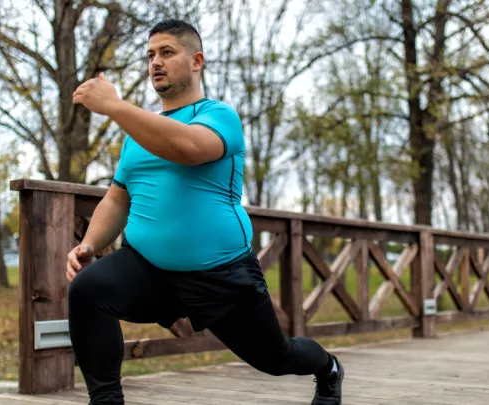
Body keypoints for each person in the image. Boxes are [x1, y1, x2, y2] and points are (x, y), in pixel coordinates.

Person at [67, 19, 344, 405]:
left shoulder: (218, 116)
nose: (155, 63)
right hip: (151, 270)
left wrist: (115, 106)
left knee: (276, 358)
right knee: (88, 290)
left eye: (167, 52)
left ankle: (328, 370)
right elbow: (116, 198)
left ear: (196, 61)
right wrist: (90, 244)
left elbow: (188, 148)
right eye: (150, 55)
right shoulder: (137, 134)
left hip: (220, 274)